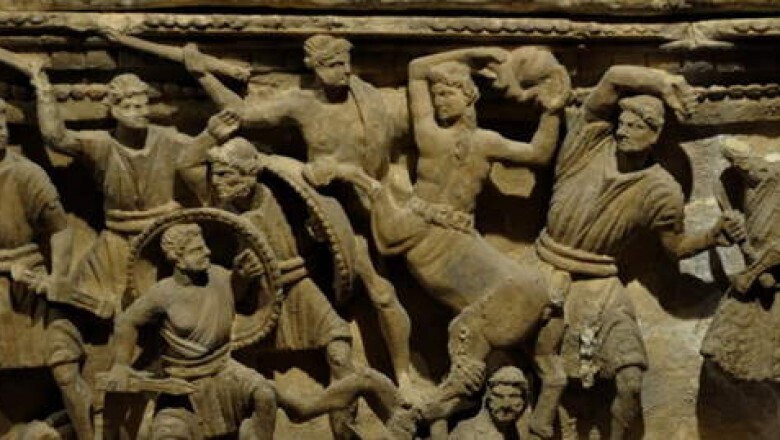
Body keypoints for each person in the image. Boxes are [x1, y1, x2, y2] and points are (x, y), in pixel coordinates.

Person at [533, 65, 744, 439]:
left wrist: (713, 236)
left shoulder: (662, 191)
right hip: (541, 271)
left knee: (631, 379)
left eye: (635, 125)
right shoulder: (587, 146)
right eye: (622, 123)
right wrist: (663, 82)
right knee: (533, 373)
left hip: (600, 283)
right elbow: (612, 77)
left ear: (655, 134)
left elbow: (675, 247)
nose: (623, 131)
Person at [206, 137, 357, 438]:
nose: (216, 182)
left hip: (298, 286)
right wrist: (240, 277)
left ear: (249, 174)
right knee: (238, 370)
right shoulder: (221, 217)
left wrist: (315, 236)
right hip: (257, 300)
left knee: (340, 352)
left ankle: (344, 431)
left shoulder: (284, 197)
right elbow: (219, 282)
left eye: (225, 174)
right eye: (214, 174)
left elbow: (317, 232)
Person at [0, 97, 87, 438]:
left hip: (32, 282)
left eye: (2, 124)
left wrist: (58, 278)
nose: (0, 132)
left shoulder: (27, 174)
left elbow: (60, 229)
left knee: (64, 363)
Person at [449, 366, 530, 440]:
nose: (505, 404)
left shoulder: (515, 433)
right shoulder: (467, 431)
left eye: (513, 396)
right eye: (498, 396)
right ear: (488, 400)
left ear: (523, 401)